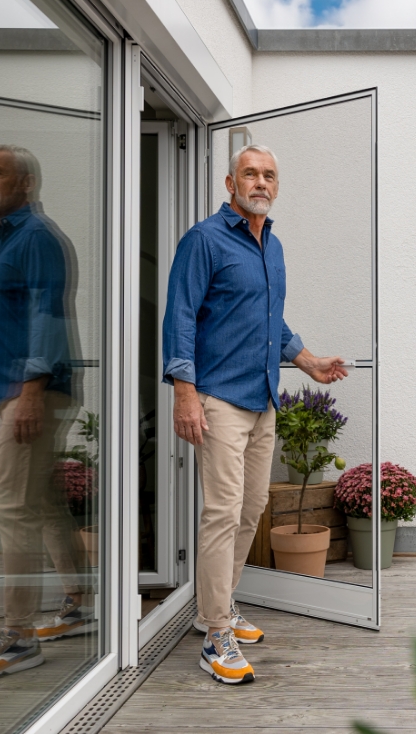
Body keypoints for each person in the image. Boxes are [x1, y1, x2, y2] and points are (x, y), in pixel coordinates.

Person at [162, 144, 347, 685]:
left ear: (276, 186)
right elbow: (180, 317)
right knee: (222, 512)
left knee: (251, 510)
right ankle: (215, 634)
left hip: (263, 396)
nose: (260, 182)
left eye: (269, 175)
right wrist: (184, 392)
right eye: (250, 173)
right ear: (230, 183)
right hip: (218, 396)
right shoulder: (204, 240)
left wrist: (308, 361)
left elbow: (271, 319)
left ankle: (216, 607)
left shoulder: (273, 245)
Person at [0, 145, 92, 682]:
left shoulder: (36, 237)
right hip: (22, 383)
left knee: (12, 509)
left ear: (25, 182)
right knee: (43, 503)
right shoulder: (13, 234)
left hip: (36, 392)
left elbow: (46, 316)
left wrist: (31, 390)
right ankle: (80, 602)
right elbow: (20, 315)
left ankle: (18, 635)